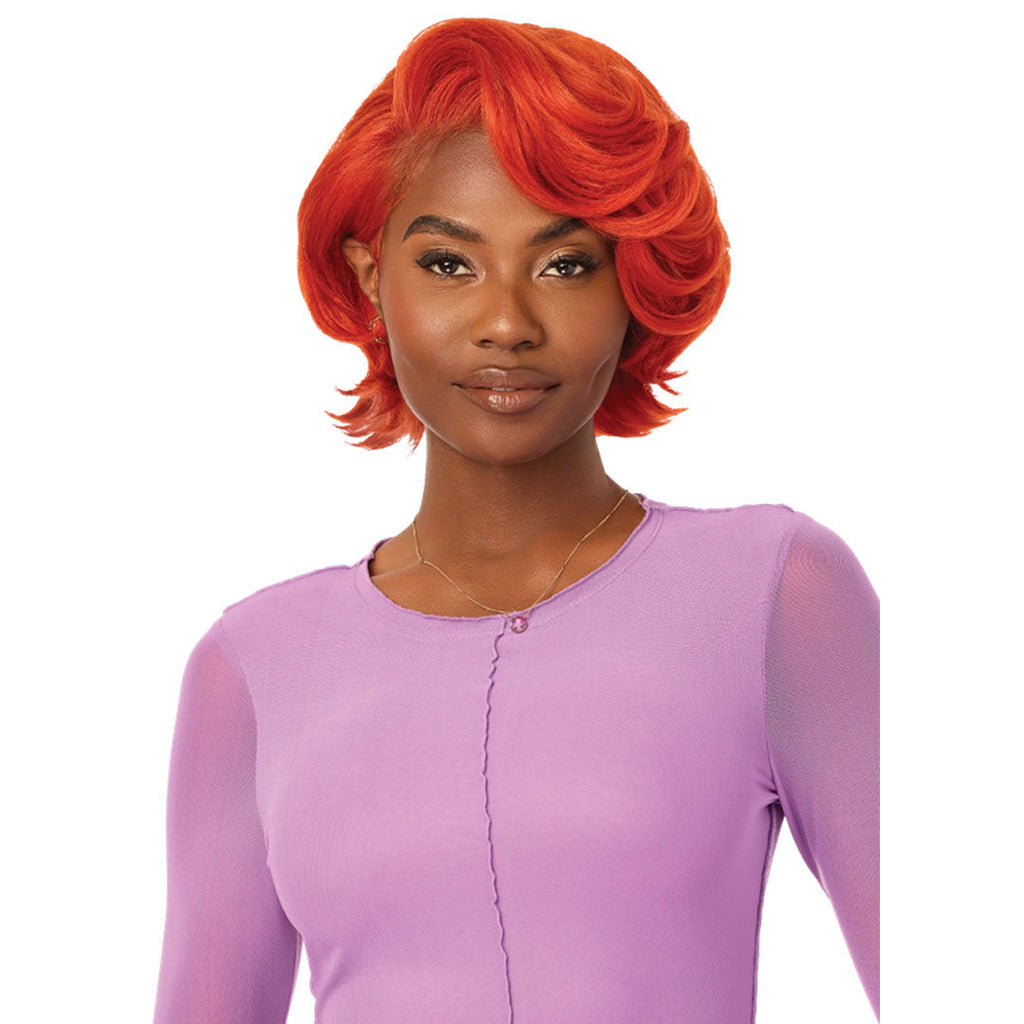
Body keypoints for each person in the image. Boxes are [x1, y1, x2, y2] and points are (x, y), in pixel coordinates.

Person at [152, 17, 879, 1023]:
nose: (506, 323)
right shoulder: (252, 666)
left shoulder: (773, 593)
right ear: (371, 278)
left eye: (564, 264)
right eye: (448, 264)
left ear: (634, 284)